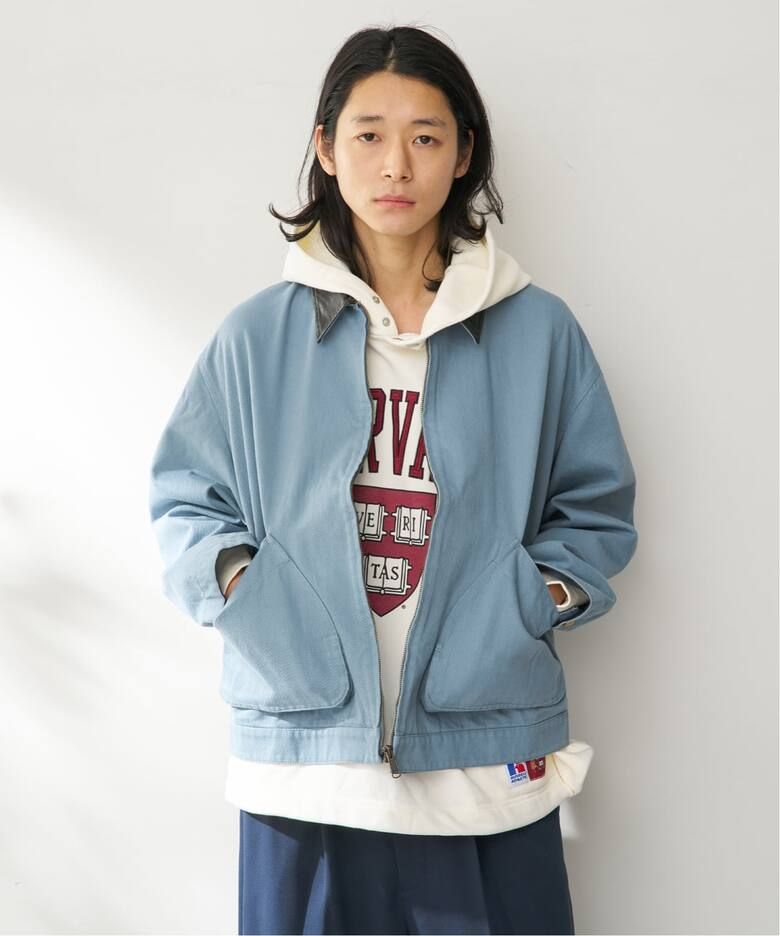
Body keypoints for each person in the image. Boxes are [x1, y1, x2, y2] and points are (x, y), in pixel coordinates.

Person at [148, 24, 638, 936]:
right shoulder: (257, 337)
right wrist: (247, 590)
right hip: (305, 765)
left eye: (426, 136)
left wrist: (528, 601)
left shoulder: (538, 333)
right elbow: (186, 500)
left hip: (485, 757)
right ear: (327, 149)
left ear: (464, 154)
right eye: (369, 134)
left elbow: (595, 508)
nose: (396, 165)